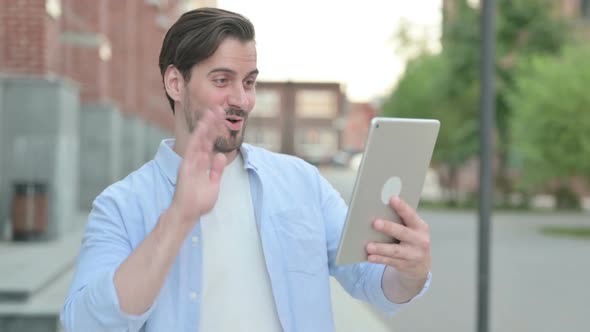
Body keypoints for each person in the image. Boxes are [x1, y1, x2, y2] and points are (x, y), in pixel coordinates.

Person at [61, 7, 431, 332]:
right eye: (222, 81)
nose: (241, 99)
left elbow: (372, 281)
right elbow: (85, 324)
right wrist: (178, 217)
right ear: (176, 83)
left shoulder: (301, 183)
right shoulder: (121, 205)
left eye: (249, 82)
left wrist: (410, 271)